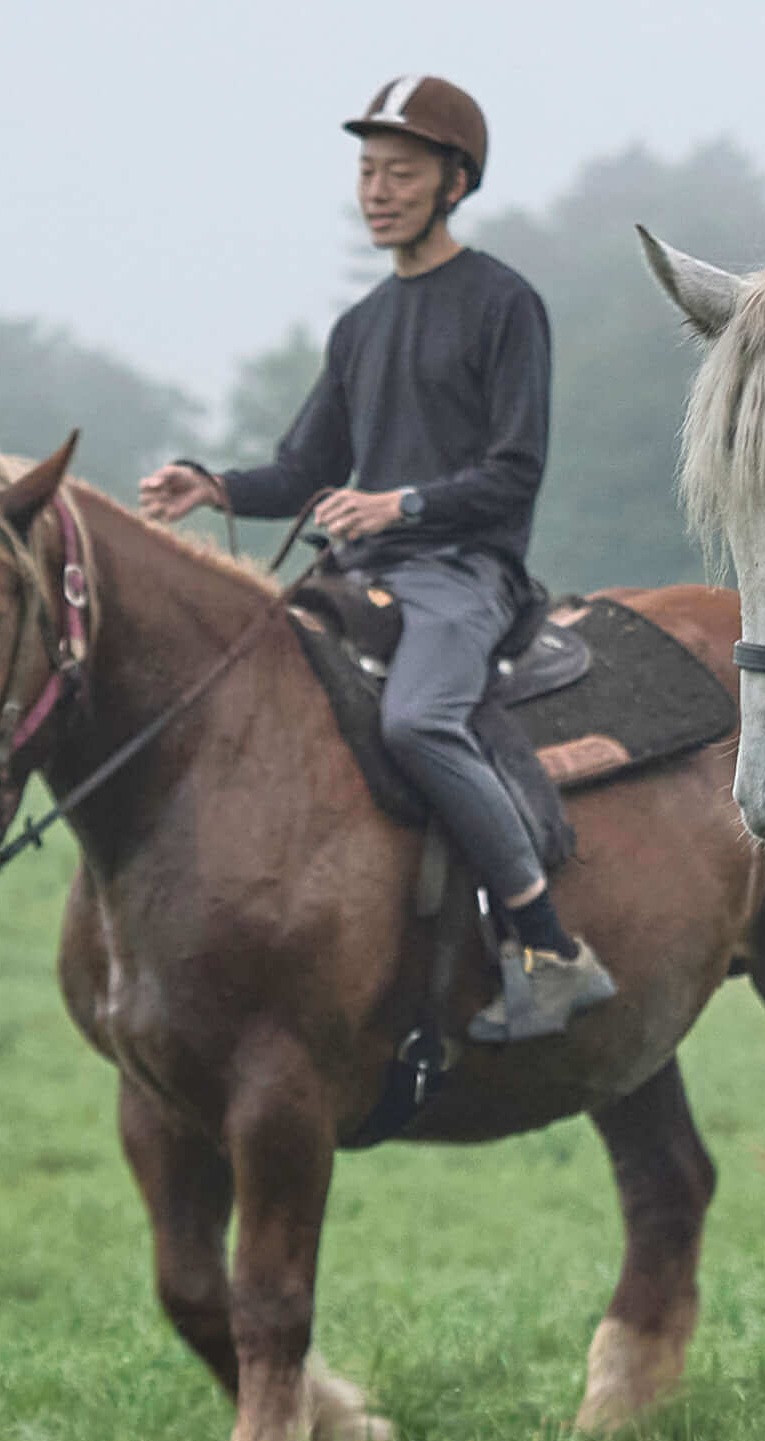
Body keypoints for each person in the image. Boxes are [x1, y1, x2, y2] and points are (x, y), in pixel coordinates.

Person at [138, 75, 617, 1042]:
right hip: (361, 578)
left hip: (464, 577)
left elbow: (515, 473)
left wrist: (400, 502)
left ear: (454, 183)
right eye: (366, 172)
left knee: (417, 722)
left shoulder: (504, 304)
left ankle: (548, 948)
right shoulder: (359, 327)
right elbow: (303, 468)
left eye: (400, 173)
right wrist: (211, 486)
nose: (377, 191)